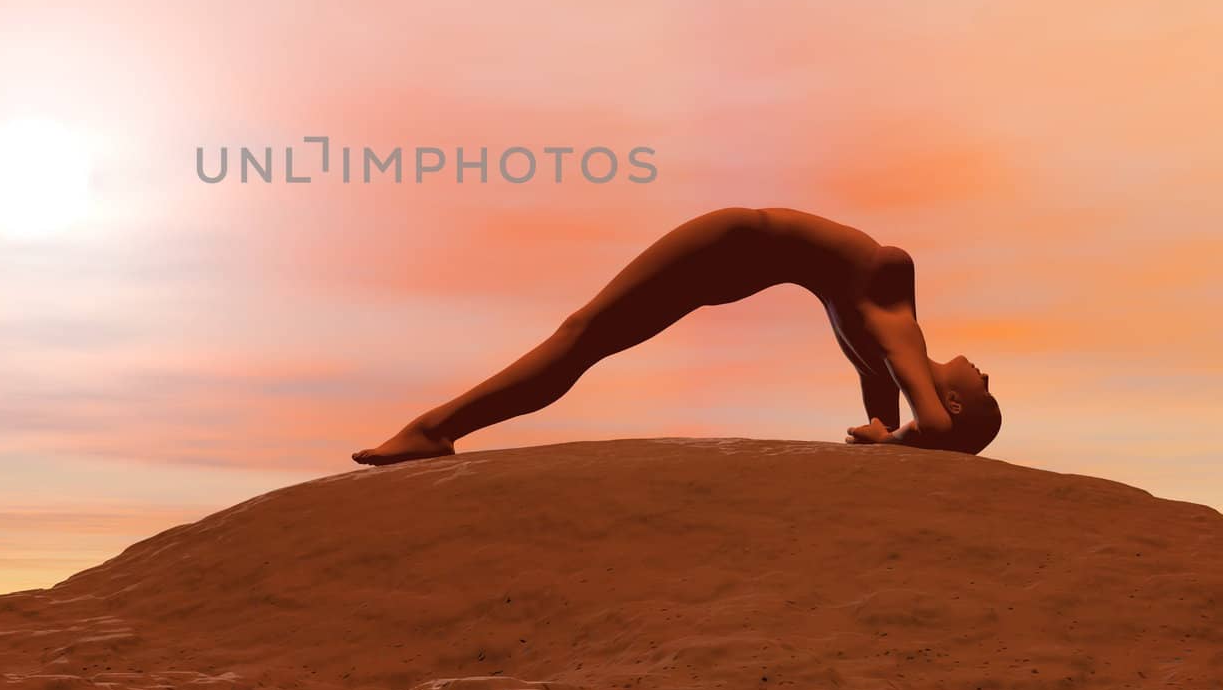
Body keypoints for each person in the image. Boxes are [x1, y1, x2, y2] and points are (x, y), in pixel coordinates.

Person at [351, 206, 1001, 466]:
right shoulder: (889, 346)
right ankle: (436, 429)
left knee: (582, 334)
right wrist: (886, 433)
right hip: (734, 254)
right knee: (584, 337)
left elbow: (930, 435)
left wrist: (894, 436)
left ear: (952, 400)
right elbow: (896, 423)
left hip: (732, 247)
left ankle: (435, 429)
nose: (987, 374)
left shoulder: (898, 328)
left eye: (985, 393)